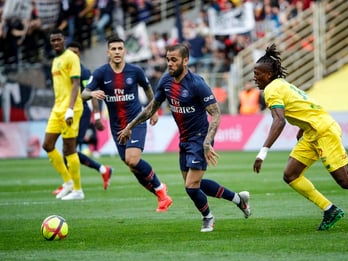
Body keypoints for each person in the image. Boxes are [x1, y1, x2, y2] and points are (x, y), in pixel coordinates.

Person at [252, 44, 348, 230]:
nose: (254, 78)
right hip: (313, 131)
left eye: (257, 74)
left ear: (268, 75)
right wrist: (303, 128)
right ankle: (329, 210)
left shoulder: (272, 89)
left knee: (346, 181)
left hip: (324, 132)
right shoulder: (283, 84)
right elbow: (306, 106)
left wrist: (262, 153)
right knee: (291, 175)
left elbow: (279, 121)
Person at [117, 43, 251, 232]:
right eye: (168, 60)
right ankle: (239, 199)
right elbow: (151, 109)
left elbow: (216, 113)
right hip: (185, 139)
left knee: (190, 186)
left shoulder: (197, 84)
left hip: (200, 139)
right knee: (194, 184)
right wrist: (130, 126)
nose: (170, 64)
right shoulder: (165, 82)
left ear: (185, 61)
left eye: (174, 60)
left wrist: (207, 142)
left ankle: (208, 217)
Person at [81, 36, 172, 212]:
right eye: (113, 49)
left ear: (124, 51)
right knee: (132, 167)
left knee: (133, 159)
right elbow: (83, 93)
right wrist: (92, 95)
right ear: (108, 52)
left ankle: (161, 190)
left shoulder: (135, 71)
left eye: (119, 49)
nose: (116, 52)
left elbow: (147, 88)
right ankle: (161, 196)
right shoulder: (100, 73)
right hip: (116, 127)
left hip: (136, 121)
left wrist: (152, 111)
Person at [52, 41, 112, 195]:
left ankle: (74, 184)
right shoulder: (66, 68)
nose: (72, 55)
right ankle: (100, 171)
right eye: (70, 52)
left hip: (81, 113)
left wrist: (97, 116)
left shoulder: (84, 71)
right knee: (68, 151)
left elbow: (92, 94)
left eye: (75, 52)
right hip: (66, 112)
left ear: (79, 54)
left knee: (69, 150)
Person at [42, 28, 84, 200]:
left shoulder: (71, 58)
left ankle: (78, 190)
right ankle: (67, 182)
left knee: (69, 148)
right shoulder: (56, 60)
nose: (56, 43)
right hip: (57, 108)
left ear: (64, 39)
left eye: (58, 39)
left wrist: (69, 109)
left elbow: (75, 84)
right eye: (53, 40)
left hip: (71, 108)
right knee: (47, 145)